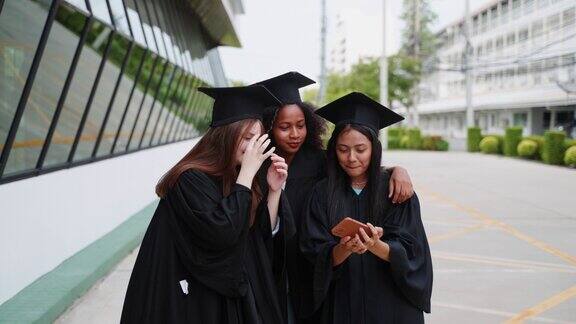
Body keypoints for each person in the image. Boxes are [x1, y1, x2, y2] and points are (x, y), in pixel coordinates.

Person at [121, 85, 292, 324]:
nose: (254, 147)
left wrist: (273, 191)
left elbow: (254, 238)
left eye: (258, 138)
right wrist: (247, 177)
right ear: (226, 136)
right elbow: (222, 233)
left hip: (227, 295)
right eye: (247, 138)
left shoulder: (237, 175)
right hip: (192, 299)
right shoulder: (190, 178)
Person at [254, 72, 416, 323]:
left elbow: (359, 170)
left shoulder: (320, 163)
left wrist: (397, 170)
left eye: (301, 124)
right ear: (269, 128)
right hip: (274, 263)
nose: (295, 133)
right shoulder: (256, 166)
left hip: (311, 272)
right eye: (285, 127)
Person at [299, 92, 433, 324]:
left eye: (360, 149)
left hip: (391, 306)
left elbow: (413, 251)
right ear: (333, 150)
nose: (351, 158)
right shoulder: (321, 193)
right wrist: (345, 248)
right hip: (342, 305)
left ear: (374, 148)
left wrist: (375, 245)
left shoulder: (396, 190)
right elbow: (314, 253)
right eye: (343, 149)